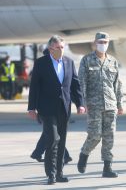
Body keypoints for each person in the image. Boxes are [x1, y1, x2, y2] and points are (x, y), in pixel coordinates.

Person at [27, 35, 85, 185]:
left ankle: (59, 173)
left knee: (61, 140)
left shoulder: (69, 62)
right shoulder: (41, 63)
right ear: (50, 48)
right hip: (46, 108)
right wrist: (31, 108)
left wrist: (80, 104)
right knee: (53, 139)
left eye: (62, 47)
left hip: (64, 107)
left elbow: (75, 85)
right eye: (58, 47)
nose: (61, 50)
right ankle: (51, 174)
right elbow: (34, 87)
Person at [77, 32, 123, 178]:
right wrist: (83, 103)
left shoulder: (113, 61)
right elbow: (82, 82)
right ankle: (84, 154)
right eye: (100, 41)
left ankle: (107, 167)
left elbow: (117, 84)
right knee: (95, 135)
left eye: (105, 42)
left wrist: (119, 104)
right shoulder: (87, 60)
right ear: (95, 43)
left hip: (110, 104)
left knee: (110, 136)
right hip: (94, 104)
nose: (103, 44)